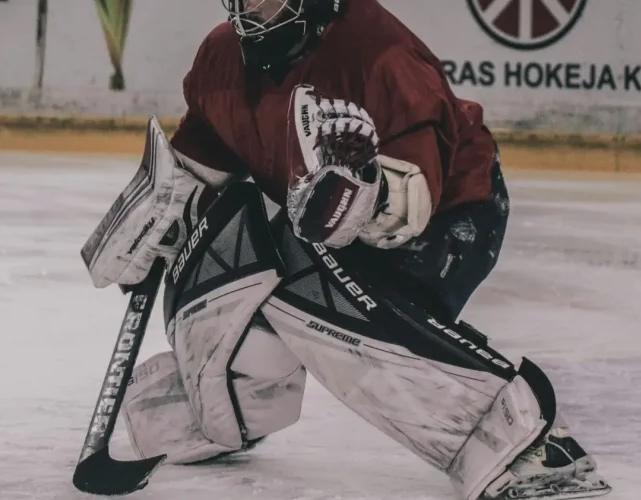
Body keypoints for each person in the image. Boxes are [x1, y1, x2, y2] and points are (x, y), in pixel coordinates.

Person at [79, 1, 612, 499]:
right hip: (310, 224)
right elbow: (203, 161)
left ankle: (523, 438)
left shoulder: (379, 54)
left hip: (450, 223)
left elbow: (409, 204)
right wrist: (161, 219)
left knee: (310, 287)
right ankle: (221, 409)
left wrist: (364, 191)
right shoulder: (222, 54)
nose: (248, 8)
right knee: (222, 243)